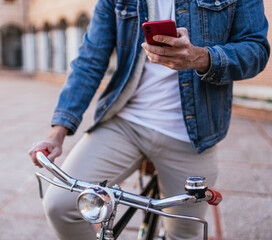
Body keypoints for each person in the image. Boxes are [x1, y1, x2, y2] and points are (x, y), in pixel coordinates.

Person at [29, 0, 270, 239]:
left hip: (193, 135)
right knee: (60, 206)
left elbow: (256, 49)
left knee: (185, 233)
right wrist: (57, 133)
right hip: (124, 123)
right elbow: (90, 60)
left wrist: (200, 58)